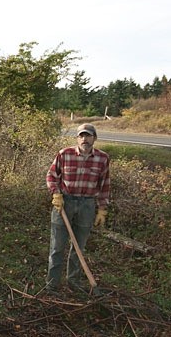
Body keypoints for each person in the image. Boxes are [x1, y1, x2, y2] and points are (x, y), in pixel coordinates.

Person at [45, 123, 110, 292]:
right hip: (64, 203)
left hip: (87, 205)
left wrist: (102, 208)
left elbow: (104, 186)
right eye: (81, 136)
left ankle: (73, 281)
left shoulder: (103, 159)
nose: (84, 139)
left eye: (88, 136)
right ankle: (52, 284)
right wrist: (56, 194)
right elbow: (51, 176)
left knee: (79, 247)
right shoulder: (64, 154)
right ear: (77, 138)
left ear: (94, 138)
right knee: (57, 247)